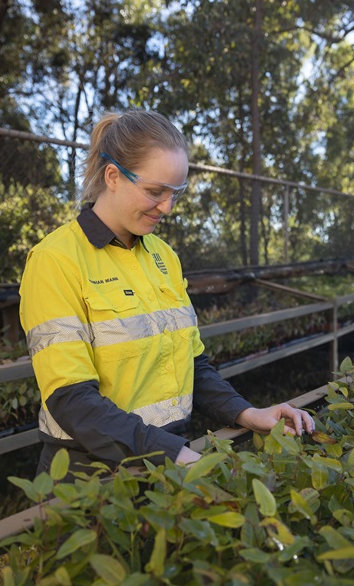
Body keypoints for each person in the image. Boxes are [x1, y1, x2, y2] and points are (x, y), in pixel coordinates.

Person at [19, 109, 314, 478]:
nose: (167, 207)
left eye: (175, 193)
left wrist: (247, 413)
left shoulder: (163, 257)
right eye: (155, 192)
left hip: (167, 461)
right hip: (91, 476)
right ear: (113, 176)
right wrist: (171, 454)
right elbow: (70, 398)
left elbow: (192, 364)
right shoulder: (55, 260)